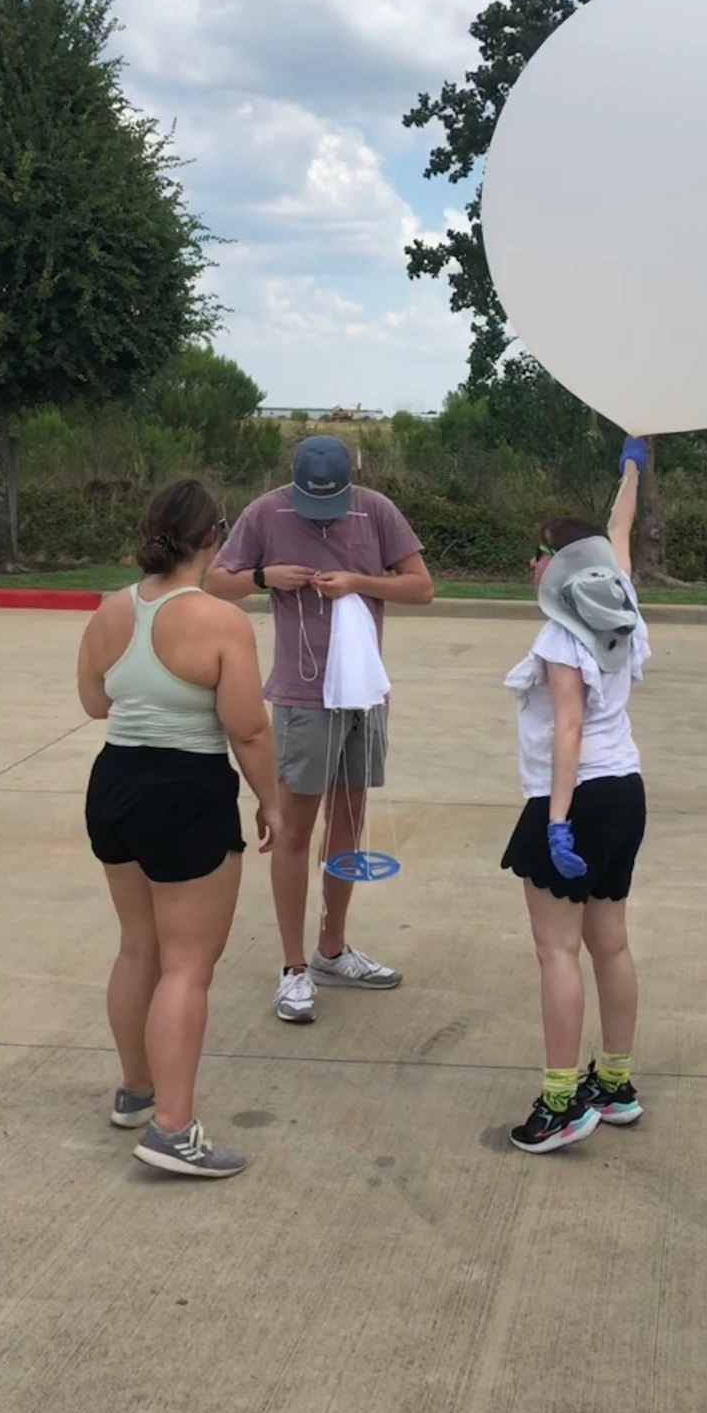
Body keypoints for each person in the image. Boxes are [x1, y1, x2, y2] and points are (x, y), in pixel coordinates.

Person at [77, 479, 281, 1179]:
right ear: (212, 538)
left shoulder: (110, 609)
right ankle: (173, 1128)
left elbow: (95, 702)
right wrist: (273, 800)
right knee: (188, 965)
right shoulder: (220, 620)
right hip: (186, 791)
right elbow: (248, 728)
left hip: (114, 786)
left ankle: (137, 1090)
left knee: (139, 947)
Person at [206, 435, 433, 1023]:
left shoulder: (376, 510)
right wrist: (264, 576)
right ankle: (292, 968)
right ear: (296, 483)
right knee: (293, 828)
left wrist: (361, 582)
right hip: (303, 698)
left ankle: (332, 949)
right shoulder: (266, 511)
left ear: (350, 483)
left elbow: (421, 587)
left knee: (348, 823)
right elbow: (214, 580)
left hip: (363, 692)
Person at [501, 437, 650, 1153]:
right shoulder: (619, 600)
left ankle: (561, 1102)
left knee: (556, 951)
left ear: (561, 568)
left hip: (576, 797)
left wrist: (554, 824)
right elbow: (618, 530)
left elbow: (567, 731)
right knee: (610, 945)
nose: (534, 565)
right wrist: (632, 467)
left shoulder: (564, 634)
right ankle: (614, 1082)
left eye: (540, 554)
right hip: (626, 791)